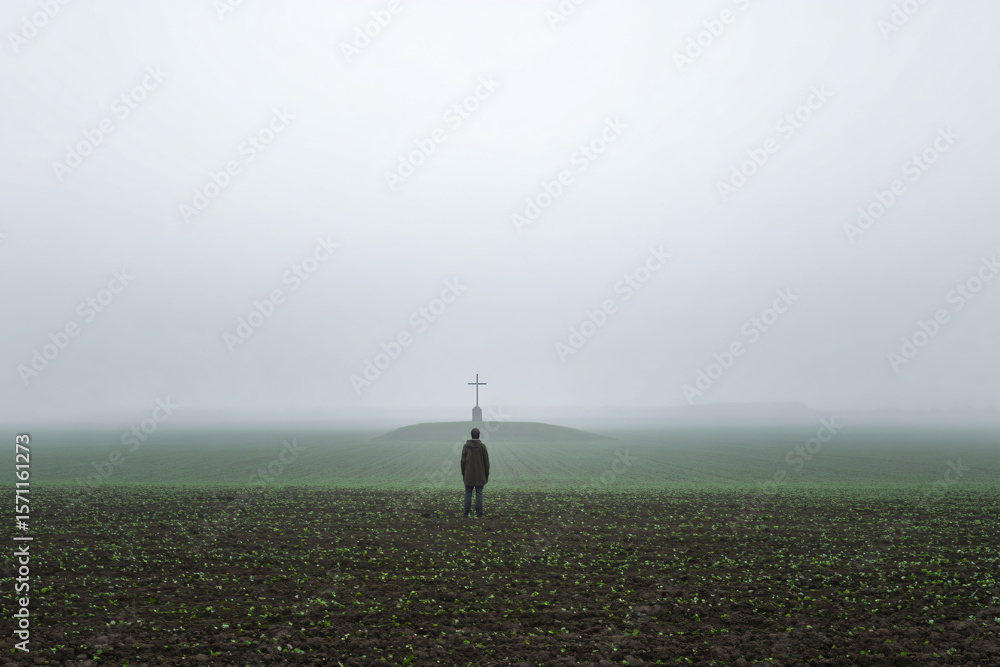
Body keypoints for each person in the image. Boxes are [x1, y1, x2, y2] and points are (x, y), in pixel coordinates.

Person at [460, 427, 490, 517]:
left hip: (468, 475)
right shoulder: (482, 447)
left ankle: (466, 512)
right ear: (479, 435)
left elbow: (462, 462)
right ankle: (479, 513)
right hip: (480, 475)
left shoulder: (466, 446)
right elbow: (486, 462)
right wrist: (486, 475)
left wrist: (464, 474)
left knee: (468, 493)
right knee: (479, 493)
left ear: (471, 435)